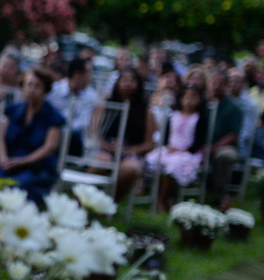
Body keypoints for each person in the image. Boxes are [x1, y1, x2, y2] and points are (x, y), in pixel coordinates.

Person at [0, 68, 64, 205]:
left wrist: (23, 161)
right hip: (9, 162)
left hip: (36, 167)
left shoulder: (53, 116)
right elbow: (1, 138)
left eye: (37, 86)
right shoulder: (13, 110)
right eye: (29, 85)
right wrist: (3, 158)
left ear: (45, 89)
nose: (32, 89)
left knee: (19, 186)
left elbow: (50, 148)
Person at [93, 68, 157, 202]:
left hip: (131, 153)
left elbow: (149, 144)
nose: (128, 84)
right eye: (125, 80)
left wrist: (128, 150)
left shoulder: (147, 112)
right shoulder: (105, 105)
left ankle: (110, 201)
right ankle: (86, 199)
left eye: (133, 80)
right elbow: (94, 133)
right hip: (105, 148)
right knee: (101, 162)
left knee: (131, 169)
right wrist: (108, 146)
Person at [145, 85, 209, 212]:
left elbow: (199, 141)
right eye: (186, 97)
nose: (189, 101)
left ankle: (162, 199)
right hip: (170, 150)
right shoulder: (173, 115)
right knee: (153, 160)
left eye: (193, 98)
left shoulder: (199, 118)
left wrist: (183, 150)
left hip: (188, 153)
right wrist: (168, 146)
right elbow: (166, 135)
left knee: (173, 166)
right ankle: (157, 195)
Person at [206, 69, 244, 210]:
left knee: (224, 156)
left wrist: (213, 148)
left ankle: (219, 197)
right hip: (202, 145)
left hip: (225, 147)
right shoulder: (203, 103)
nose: (216, 86)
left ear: (227, 86)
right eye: (214, 82)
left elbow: (233, 135)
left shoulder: (234, 108)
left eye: (220, 83)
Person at [46, 58, 99, 156]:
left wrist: (62, 129)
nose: (91, 77)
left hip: (74, 140)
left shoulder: (91, 97)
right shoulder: (54, 90)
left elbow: (83, 123)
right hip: (51, 134)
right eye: (88, 73)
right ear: (77, 75)